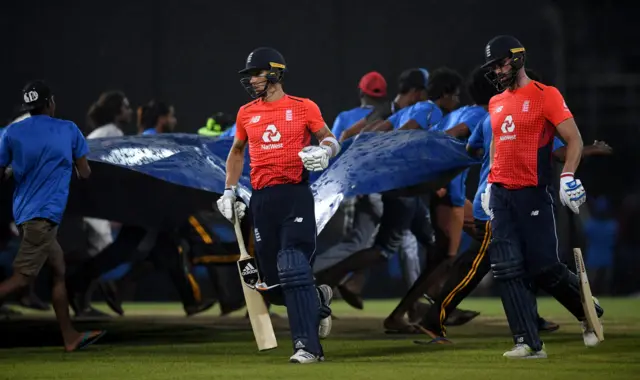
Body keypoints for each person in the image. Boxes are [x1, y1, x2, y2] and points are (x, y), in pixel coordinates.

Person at [480, 35, 603, 358]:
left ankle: (586, 308)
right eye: (493, 66)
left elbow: (573, 140)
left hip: (532, 194)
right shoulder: (495, 102)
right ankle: (527, 342)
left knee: (544, 268)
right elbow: (497, 142)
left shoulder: (545, 95)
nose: (497, 70)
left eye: (500, 63)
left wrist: (567, 177)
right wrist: (488, 184)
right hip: (501, 195)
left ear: (517, 58)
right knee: (506, 268)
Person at [217, 47, 338, 363]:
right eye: (249, 75)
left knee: (293, 264)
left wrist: (325, 151)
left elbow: (329, 138)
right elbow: (237, 152)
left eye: (256, 73)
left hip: (294, 195)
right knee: (269, 285)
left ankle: (307, 347)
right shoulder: (246, 113)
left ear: (274, 72)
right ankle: (317, 300)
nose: (252, 80)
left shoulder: (302, 107)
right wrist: (229, 191)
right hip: (262, 200)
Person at [0, 80, 105, 351]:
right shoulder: (69, 129)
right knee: (22, 278)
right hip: (44, 216)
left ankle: (70, 337)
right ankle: (69, 336)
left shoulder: (12, 132)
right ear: (50, 102)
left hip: (24, 214)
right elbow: (85, 173)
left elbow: (1, 172)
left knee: (58, 270)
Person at [331, 71, 388, 140]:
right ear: (383, 95)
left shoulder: (343, 118)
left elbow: (331, 147)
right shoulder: (393, 117)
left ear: (361, 92)